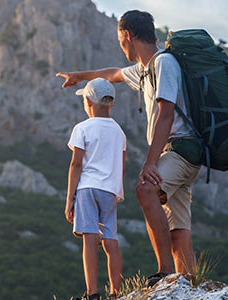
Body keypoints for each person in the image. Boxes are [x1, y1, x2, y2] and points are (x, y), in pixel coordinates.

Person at [56, 10, 201, 287]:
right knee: (177, 225)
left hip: (181, 149)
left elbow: (166, 114)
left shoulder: (164, 64)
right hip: (179, 151)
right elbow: (112, 74)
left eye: (120, 39)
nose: (120, 45)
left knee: (146, 189)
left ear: (127, 35)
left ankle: (165, 274)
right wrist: (80, 75)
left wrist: (150, 163)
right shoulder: (145, 70)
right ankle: (187, 283)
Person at [65, 78, 126, 300]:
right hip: (109, 190)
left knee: (89, 239)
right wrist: (116, 189)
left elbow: (76, 164)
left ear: (88, 101)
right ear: (111, 103)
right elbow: (122, 164)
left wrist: (69, 198)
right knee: (110, 238)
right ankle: (115, 292)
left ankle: (92, 293)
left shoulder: (82, 128)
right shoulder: (119, 132)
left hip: (86, 188)